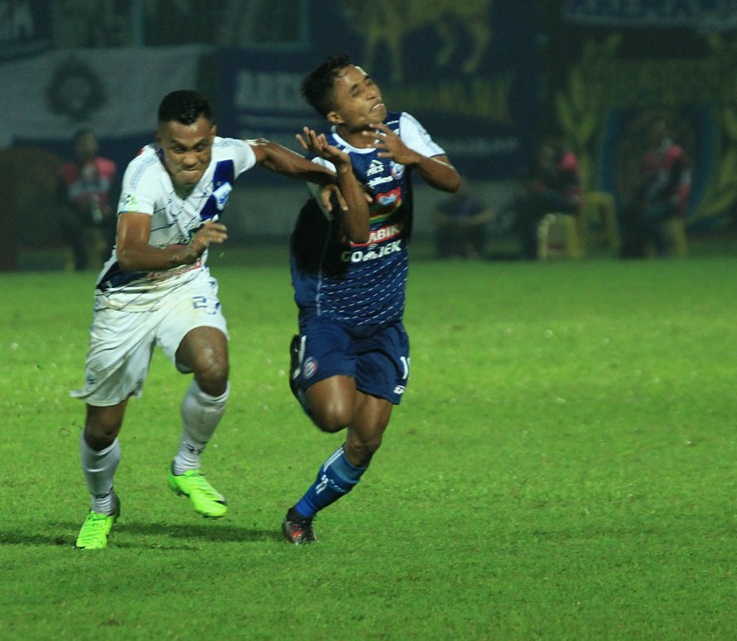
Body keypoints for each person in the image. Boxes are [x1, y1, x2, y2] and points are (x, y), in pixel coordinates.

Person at [71, 89, 344, 550]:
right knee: (102, 428)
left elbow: (266, 153)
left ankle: (186, 466)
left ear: (212, 137)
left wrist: (324, 174)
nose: (190, 159)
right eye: (177, 148)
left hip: (185, 285)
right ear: (160, 140)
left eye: (200, 146)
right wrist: (187, 249)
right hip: (127, 297)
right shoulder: (144, 174)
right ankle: (102, 506)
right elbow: (129, 252)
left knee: (214, 366)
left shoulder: (225, 155)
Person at [283, 53, 461, 545]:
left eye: (370, 83)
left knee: (365, 441)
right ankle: (302, 367)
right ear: (335, 115)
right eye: (357, 92)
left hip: (385, 317)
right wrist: (343, 168)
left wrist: (413, 157)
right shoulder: (323, 159)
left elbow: (451, 182)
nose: (372, 93)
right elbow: (358, 232)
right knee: (333, 417)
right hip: (332, 313)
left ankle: (300, 516)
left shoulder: (402, 129)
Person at [620, 117, 692, 257]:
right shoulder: (650, 157)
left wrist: (677, 197)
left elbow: (682, 180)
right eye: (652, 132)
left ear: (666, 133)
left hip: (670, 201)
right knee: (627, 214)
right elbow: (647, 184)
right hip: (652, 201)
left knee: (648, 215)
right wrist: (640, 197)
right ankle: (635, 250)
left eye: (659, 131)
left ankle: (662, 249)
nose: (654, 135)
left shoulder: (676, 154)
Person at [510, 136, 582, 259]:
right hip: (546, 201)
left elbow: (563, 185)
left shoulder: (567, 160)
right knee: (522, 202)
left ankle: (530, 251)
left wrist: (550, 166)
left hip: (568, 201)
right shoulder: (540, 161)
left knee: (540, 197)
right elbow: (529, 181)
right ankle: (529, 250)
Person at [58, 128, 118, 271]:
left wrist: (109, 207)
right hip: (79, 213)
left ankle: (109, 258)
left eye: (90, 142)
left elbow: (117, 193)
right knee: (68, 221)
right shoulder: (67, 171)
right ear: (76, 147)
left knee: (122, 219)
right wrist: (77, 208)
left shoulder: (108, 168)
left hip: (103, 210)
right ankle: (81, 260)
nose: (86, 146)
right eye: (82, 143)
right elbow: (60, 199)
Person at [432, 179, 491, 259]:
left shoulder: (475, 204)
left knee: (480, 229)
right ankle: (450, 252)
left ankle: (473, 251)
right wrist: (452, 222)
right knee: (443, 230)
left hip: (471, 230)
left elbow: (487, 215)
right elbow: (435, 217)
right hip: (452, 230)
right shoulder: (446, 204)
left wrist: (471, 222)